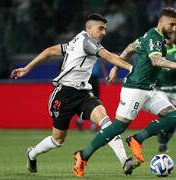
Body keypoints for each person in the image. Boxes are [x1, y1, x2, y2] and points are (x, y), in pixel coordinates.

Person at [11, 14, 139, 176]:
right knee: (58, 140)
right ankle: (32, 154)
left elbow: (50, 51)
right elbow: (108, 56)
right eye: (100, 28)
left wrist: (27, 68)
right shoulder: (87, 41)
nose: (104, 32)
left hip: (83, 93)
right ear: (89, 28)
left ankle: (125, 161)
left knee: (106, 122)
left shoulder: (76, 41)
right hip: (64, 94)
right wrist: (131, 68)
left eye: (105, 29)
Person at [73, 7, 176, 177]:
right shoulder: (154, 38)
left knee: (173, 117)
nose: (174, 29)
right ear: (161, 22)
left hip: (149, 89)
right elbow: (155, 59)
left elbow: (131, 47)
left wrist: (116, 66)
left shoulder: (150, 35)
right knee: (118, 127)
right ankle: (83, 156)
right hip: (135, 89)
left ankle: (137, 139)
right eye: (171, 24)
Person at [75, 58, 108, 131]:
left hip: (94, 79)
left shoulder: (97, 55)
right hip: (88, 79)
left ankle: (80, 121)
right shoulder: (89, 54)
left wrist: (105, 75)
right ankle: (92, 126)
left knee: (93, 101)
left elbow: (101, 65)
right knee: (92, 102)